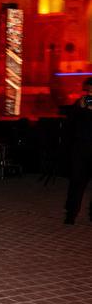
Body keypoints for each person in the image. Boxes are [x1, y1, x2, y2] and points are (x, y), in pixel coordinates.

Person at [63, 76, 92, 224]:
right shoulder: (80, 103)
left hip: (85, 147)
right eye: (89, 91)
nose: (90, 94)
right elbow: (70, 123)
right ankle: (71, 214)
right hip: (81, 148)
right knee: (76, 181)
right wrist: (80, 109)